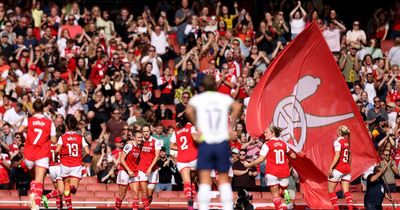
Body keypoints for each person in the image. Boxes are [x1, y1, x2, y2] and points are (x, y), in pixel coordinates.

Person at [185, 75, 242, 210]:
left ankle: (203, 208)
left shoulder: (198, 99)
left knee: (205, 180)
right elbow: (238, 106)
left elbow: (188, 110)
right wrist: (231, 126)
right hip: (221, 141)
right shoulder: (223, 98)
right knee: (223, 179)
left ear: (202, 87)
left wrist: (197, 124)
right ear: (215, 86)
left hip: (206, 142)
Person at [244, 125, 296, 209]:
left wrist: (249, 165)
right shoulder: (284, 144)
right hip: (284, 171)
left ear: (273, 133)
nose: (264, 134)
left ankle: (280, 208)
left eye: (266, 132)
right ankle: (289, 205)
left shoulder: (267, 144)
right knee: (284, 191)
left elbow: (260, 159)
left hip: (272, 172)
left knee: (276, 195)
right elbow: (293, 156)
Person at [18, 99, 57, 210]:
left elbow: (19, 130)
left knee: (33, 178)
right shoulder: (49, 122)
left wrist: (27, 133)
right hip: (42, 153)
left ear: (34, 109)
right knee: (40, 180)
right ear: (43, 108)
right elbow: (54, 140)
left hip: (29, 153)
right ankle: (36, 205)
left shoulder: (28, 120)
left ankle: (33, 193)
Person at [55, 114, 90, 210]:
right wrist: (80, 157)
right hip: (76, 165)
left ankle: (69, 207)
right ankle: (70, 207)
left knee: (67, 189)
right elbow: (87, 151)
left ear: (66, 125)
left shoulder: (62, 137)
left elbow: (57, 150)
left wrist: (57, 157)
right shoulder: (80, 137)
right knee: (72, 189)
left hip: (64, 165)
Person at [170, 118, 198, 209]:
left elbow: (171, 146)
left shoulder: (175, 131)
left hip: (182, 158)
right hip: (193, 157)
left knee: (186, 181)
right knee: (193, 180)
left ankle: (189, 200)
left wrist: (182, 149)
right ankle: (194, 198)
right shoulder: (191, 127)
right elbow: (195, 138)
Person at [115, 130, 143, 210]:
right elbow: (122, 159)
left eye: (141, 137)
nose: (140, 139)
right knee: (122, 194)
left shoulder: (140, 146)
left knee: (136, 194)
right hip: (125, 171)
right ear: (134, 138)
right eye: (138, 137)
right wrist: (129, 170)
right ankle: (117, 208)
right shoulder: (129, 146)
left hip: (134, 171)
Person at [327, 125, 353, 210]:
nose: (337, 131)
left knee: (331, 191)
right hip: (347, 169)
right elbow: (350, 156)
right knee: (346, 192)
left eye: (338, 130)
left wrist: (331, 167)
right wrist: (348, 165)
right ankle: (350, 208)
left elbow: (337, 155)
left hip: (338, 168)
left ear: (340, 132)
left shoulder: (337, 142)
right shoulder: (347, 142)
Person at [138, 124, 162, 205]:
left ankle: (148, 203)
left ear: (150, 131)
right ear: (142, 132)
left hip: (153, 170)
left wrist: (150, 168)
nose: (146, 133)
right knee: (144, 193)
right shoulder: (140, 141)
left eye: (147, 131)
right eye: (144, 131)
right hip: (142, 169)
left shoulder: (156, 141)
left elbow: (157, 156)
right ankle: (146, 207)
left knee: (149, 194)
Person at [41, 143, 63, 210]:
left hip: (51, 168)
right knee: (60, 191)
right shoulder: (61, 144)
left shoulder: (47, 145)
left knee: (57, 192)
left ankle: (59, 208)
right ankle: (46, 197)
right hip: (59, 167)